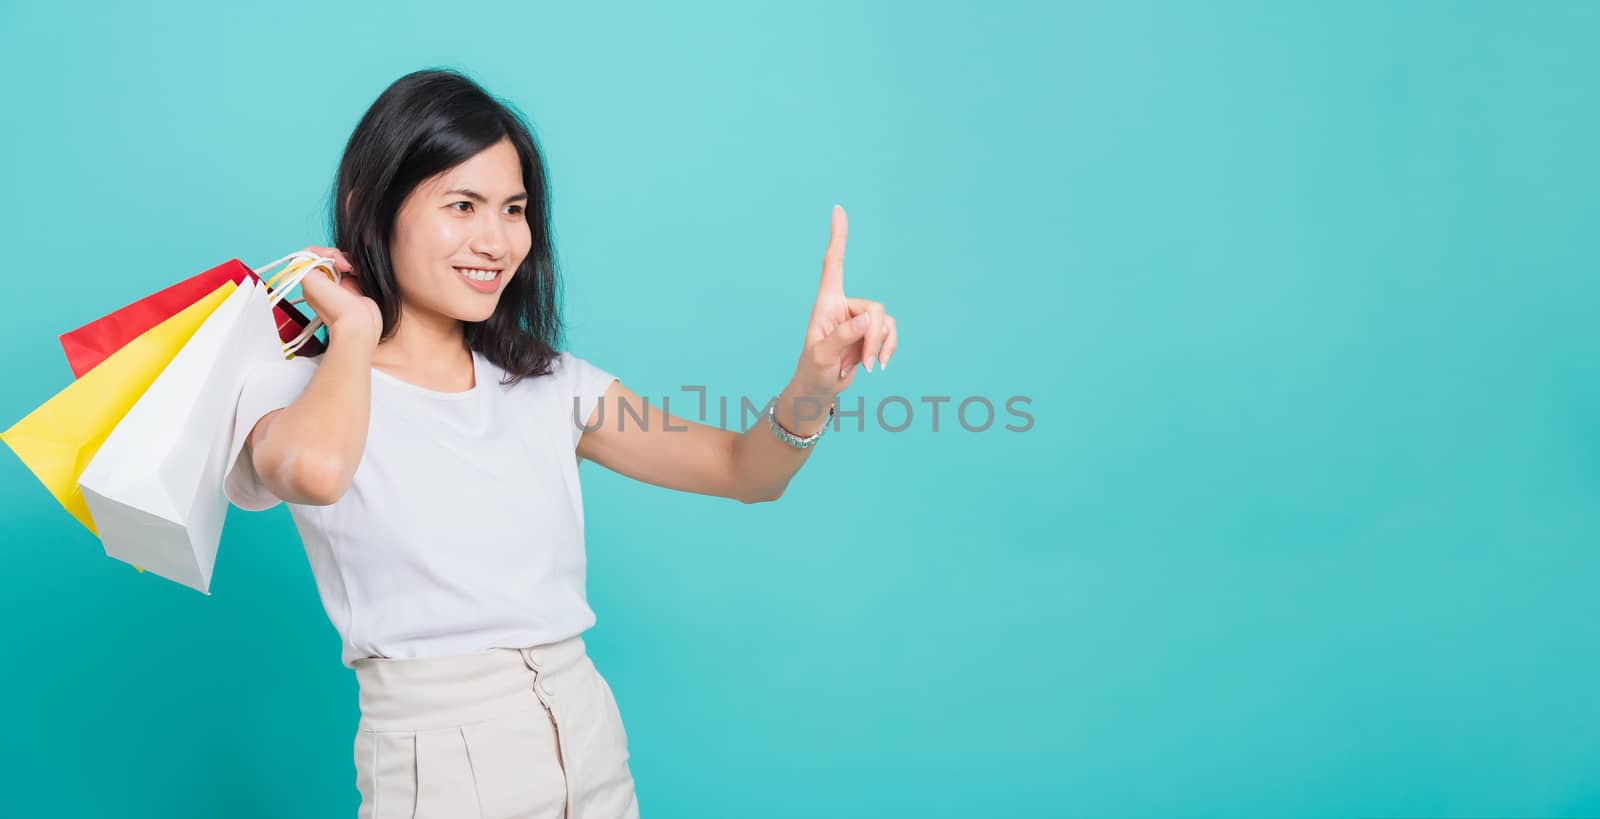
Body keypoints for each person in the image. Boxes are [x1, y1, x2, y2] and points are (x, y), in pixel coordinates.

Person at [221, 68, 899, 819]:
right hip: (441, 762)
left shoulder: (547, 382)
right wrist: (353, 331)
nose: (496, 239)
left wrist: (815, 379)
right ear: (369, 209)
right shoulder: (296, 389)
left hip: (586, 736)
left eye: (514, 209)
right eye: (462, 205)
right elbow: (315, 471)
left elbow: (743, 469)